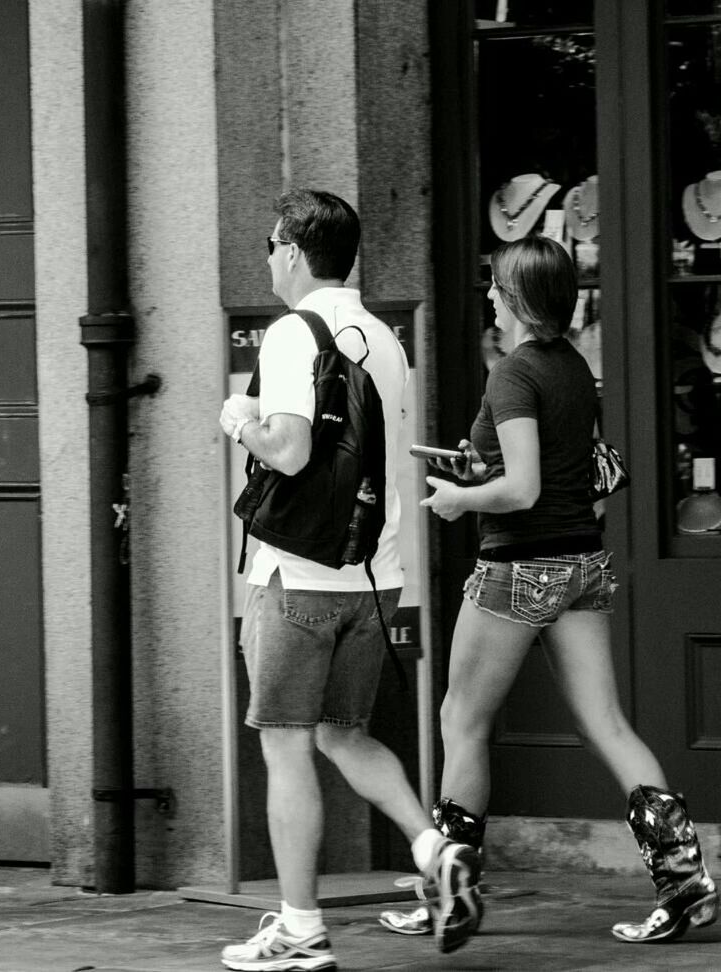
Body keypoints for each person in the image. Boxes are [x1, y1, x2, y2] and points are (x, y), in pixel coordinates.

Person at [380, 235, 718, 945]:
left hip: (520, 566)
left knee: (461, 721)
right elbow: (568, 476)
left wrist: (458, 500)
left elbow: (525, 487)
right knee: (608, 724)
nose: (490, 299)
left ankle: (451, 892)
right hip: (582, 564)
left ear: (515, 299)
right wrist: (482, 471)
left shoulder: (512, 375)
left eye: (496, 289)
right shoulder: (571, 367)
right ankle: (684, 882)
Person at [217, 188, 480, 971]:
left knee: (287, 747)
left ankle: (301, 928)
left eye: (271, 245)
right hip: (376, 575)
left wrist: (239, 418)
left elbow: (290, 450)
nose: (268, 258)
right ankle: (435, 850)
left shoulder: (294, 334)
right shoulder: (383, 338)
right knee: (343, 733)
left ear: (294, 250)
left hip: (296, 577)